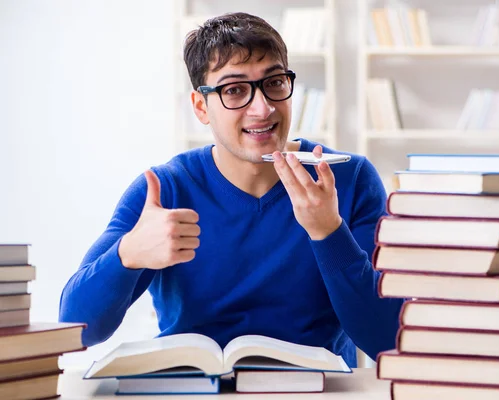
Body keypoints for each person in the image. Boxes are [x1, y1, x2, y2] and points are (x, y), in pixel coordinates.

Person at [59, 12, 403, 367]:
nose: (263, 107)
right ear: (200, 107)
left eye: (274, 83)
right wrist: (127, 254)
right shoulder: (163, 191)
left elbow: (385, 339)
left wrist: (328, 232)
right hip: (191, 389)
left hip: (316, 388)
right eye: (234, 90)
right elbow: (76, 328)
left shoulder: (348, 179)